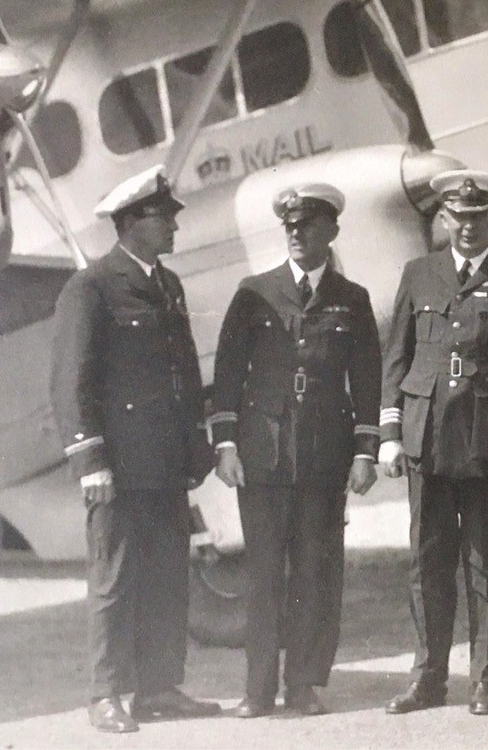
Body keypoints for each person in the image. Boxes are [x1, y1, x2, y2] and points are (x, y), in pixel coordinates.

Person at [379, 170, 488, 716]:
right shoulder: (419, 274)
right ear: (443, 219)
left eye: (478, 218)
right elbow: (398, 358)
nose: (467, 228)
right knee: (427, 564)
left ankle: (487, 680)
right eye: (458, 217)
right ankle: (428, 676)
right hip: (427, 442)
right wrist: (390, 432)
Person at [50, 165, 219, 734]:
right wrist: (89, 460)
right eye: (162, 215)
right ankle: (106, 694)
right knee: (115, 579)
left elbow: (184, 376)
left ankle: (158, 688)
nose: (174, 223)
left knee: (169, 576)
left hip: (166, 463)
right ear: (130, 223)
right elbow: (72, 381)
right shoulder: (91, 287)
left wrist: (198, 448)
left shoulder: (167, 285)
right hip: (117, 468)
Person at [208, 183, 382, 718]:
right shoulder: (254, 292)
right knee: (264, 575)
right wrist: (227, 444)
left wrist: (364, 451)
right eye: (290, 226)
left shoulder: (352, 300)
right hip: (263, 458)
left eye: (307, 225)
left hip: (324, 459)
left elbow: (368, 378)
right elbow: (228, 373)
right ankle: (257, 691)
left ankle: (303, 683)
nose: (297, 234)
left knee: (315, 573)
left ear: (331, 230)